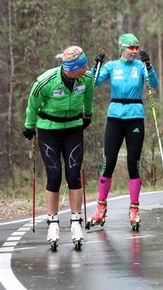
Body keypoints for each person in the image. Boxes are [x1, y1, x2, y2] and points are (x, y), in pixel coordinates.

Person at [23, 46, 94, 249]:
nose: (86, 68)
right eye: (82, 66)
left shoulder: (86, 79)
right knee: (54, 174)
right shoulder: (45, 81)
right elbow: (32, 104)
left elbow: (88, 97)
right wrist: (29, 126)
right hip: (49, 129)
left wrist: (87, 114)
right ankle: (52, 222)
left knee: (73, 174)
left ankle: (75, 221)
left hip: (73, 127)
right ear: (71, 68)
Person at [87, 33, 158, 231]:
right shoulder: (111, 66)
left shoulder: (140, 66)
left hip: (135, 116)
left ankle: (134, 209)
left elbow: (154, 84)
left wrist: (149, 66)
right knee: (108, 161)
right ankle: (101, 207)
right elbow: (94, 83)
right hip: (115, 117)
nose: (135, 51)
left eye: (137, 48)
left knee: (133, 163)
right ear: (122, 48)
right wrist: (97, 66)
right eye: (131, 48)